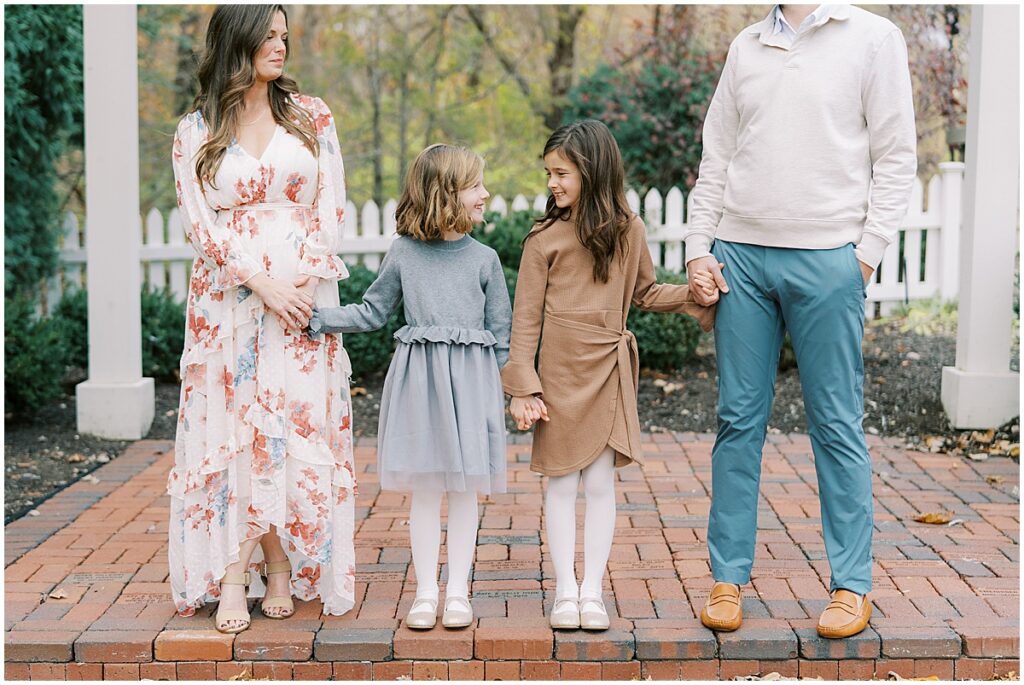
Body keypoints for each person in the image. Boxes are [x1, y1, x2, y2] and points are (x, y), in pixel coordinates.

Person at [684, 4, 917, 638]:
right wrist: (700, 247)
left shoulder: (874, 38)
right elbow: (717, 158)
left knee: (836, 422)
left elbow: (897, 157)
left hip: (829, 258)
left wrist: (863, 257)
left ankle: (851, 585)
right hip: (742, 259)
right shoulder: (747, 45)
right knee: (737, 421)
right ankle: (727, 578)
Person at [167, 4, 357, 634]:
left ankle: (279, 565)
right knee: (235, 428)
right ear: (236, 41)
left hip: (300, 301)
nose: (280, 47)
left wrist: (301, 283)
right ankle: (230, 573)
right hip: (230, 304)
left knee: (287, 425)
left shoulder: (313, 116)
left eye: (284, 36)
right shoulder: (196, 129)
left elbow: (332, 205)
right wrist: (261, 282)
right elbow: (200, 224)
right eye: (267, 37)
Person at [503, 120, 717, 631]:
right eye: (549, 173)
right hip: (556, 373)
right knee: (559, 484)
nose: (552, 182)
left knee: (599, 483)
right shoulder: (543, 239)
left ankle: (592, 592)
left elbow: (645, 292)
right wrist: (522, 386)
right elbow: (525, 317)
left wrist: (692, 296)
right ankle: (563, 591)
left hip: (606, 369)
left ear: (592, 172)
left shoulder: (629, 230)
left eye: (563, 173)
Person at [308, 144, 512, 630]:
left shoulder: (486, 259)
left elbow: (502, 337)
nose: (485, 194)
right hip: (420, 384)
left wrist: (511, 393)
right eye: (475, 186)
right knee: (425, 490)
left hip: (471, 386)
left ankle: (458, 592)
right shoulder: (404, 253)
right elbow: (373, 311)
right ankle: (425, 592)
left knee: (464, 491)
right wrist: (316, 318)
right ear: (446, 194)